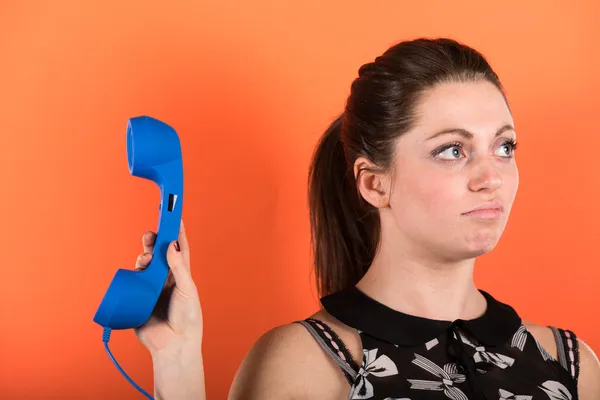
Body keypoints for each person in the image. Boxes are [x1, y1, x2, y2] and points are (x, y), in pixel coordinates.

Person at [132, 37, 600, 399]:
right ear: (375, 183)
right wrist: (176, 359)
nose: (491, 177)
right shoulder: (306, 361)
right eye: (453, 150)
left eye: (504, 147)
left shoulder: (571, 361)